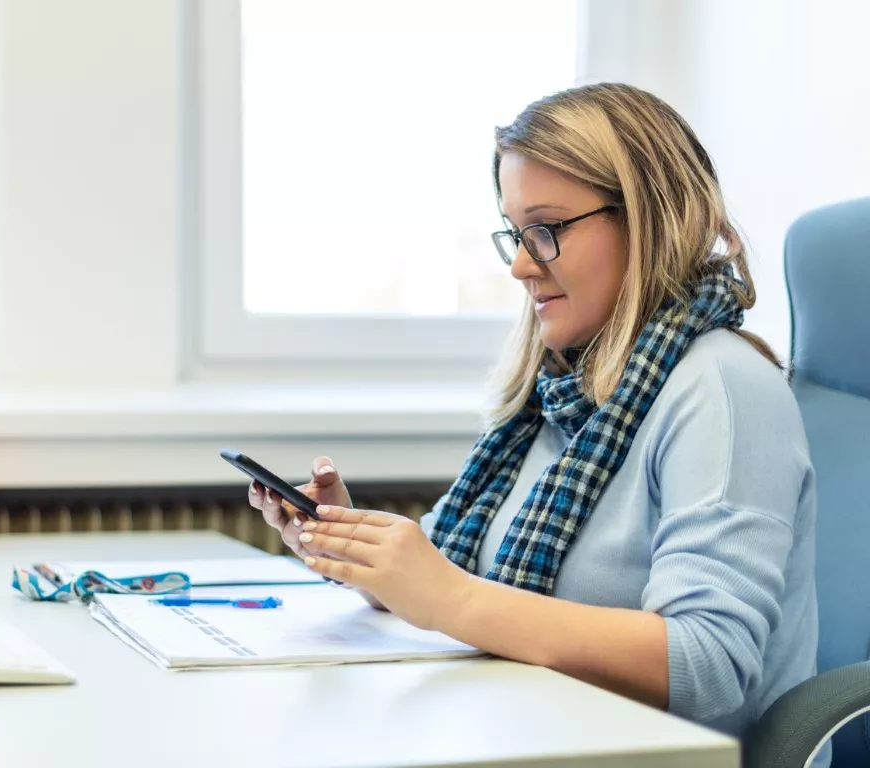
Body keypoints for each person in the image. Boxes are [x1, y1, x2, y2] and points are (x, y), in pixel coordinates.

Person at [248, 82, 824, 760]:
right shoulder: (560, 392)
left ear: (648, 218)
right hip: (543, 735)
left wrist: (450, 598)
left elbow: (710, 667)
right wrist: (354, 553)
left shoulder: (725, 388)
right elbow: (444, 576)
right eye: (516, 234)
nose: (522, 265)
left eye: (546, 230)